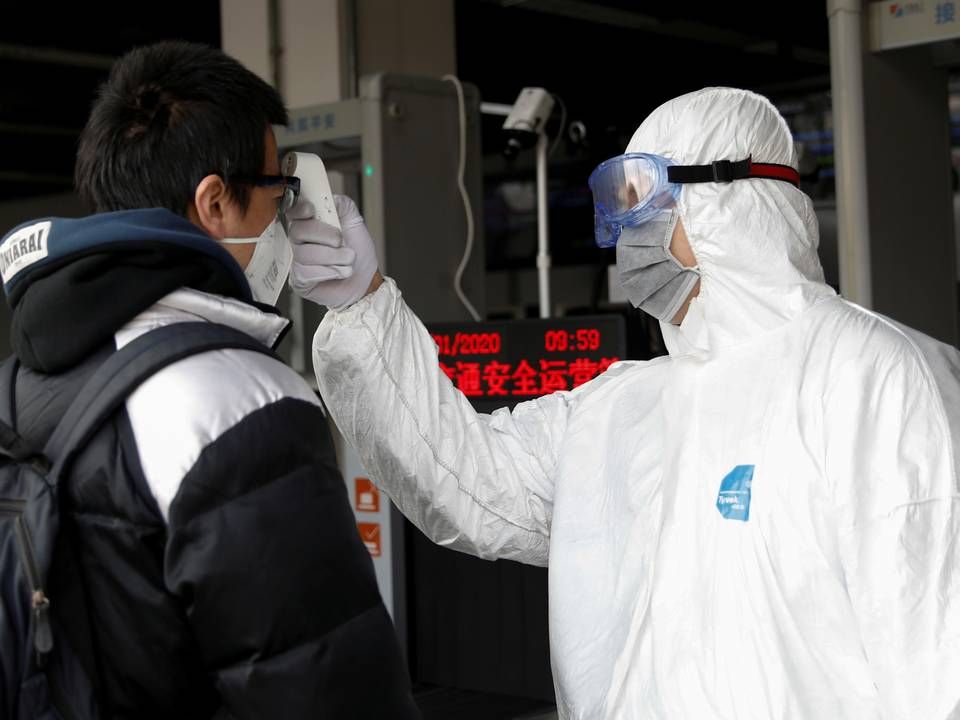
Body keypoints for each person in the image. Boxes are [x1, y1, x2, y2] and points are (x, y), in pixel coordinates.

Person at [289, 86, 960, 719]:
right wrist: (362, 306)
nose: (623, 233)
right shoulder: (623, 407)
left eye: (641, 199)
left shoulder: (877, 380)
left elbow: (934, 660)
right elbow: (469, 480)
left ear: (725, 201)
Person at [1, 41, 420, 718]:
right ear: (215, 203)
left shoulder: (21, 383)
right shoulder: (236, 398)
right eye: (277, 191)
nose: (287, 216)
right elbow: (326, 687)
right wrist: (362, 299)